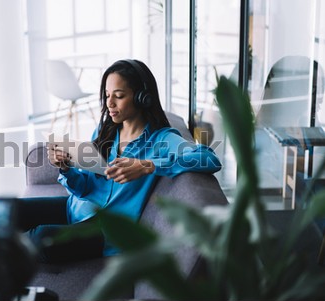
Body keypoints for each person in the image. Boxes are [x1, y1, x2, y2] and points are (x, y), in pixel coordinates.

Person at [19, 59, 221, 263]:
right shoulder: (106, 131)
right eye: (107, 96)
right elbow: (86, 187)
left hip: (107, 230)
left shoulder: (162, 139)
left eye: (119, 96)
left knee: (40, 238)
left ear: (143, 98)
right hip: (77, 209)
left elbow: (209, 158)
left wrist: (147, 165)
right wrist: (66, 169)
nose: (109, 104)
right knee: (12, 211)